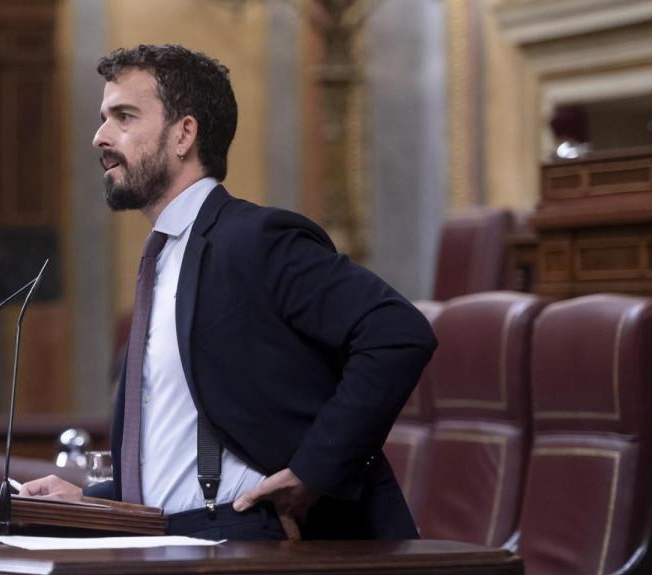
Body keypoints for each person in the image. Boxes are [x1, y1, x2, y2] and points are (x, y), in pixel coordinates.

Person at [22, 44, 436, 541]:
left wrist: (315, 471)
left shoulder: (254, 239)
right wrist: (94, 500)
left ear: (184, 134)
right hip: (166, 541)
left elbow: (397, 331)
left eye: (123, 117)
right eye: (103, 118)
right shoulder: (165, 257)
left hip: (250, 545)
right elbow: (186, 447)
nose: (100, 137)